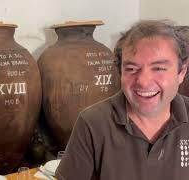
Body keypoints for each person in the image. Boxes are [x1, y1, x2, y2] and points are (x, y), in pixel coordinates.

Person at [55, 20, 189, 180]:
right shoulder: (93, 123)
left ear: (181, 72)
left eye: (158, 68)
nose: (143, 81)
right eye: (131, 69)